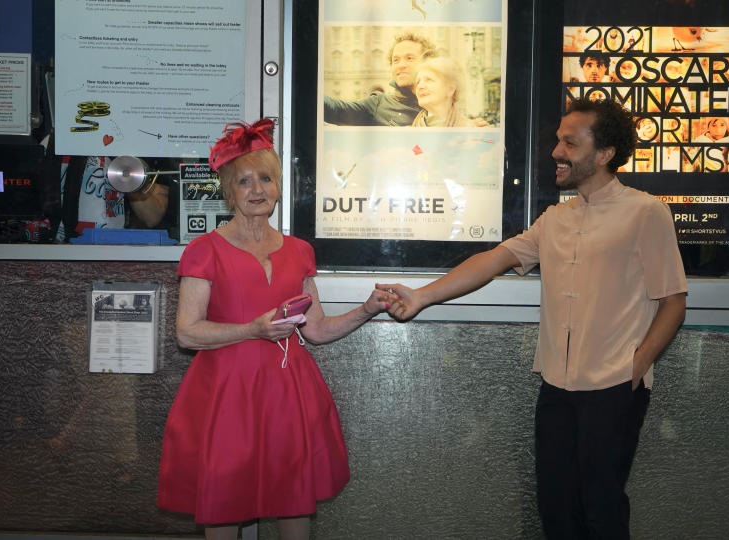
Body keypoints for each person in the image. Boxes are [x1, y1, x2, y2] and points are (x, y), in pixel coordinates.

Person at [379, 98, 687, 539]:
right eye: (558, 140)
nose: (556, 152)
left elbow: (673, 300)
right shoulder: (555, 218)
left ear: (604, 155)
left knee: (602, 510)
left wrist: (635, 369)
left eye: (569, 143)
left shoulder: (645, 212)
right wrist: (423, 297)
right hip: (556, 388)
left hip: (613, 388)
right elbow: (493, 259)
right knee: (556, 511)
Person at [157, 119, 396, 539]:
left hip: (288, 393)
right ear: (229, 190)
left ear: (278, 185)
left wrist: (368, 309)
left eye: (265, 178)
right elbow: (186, 333)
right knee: (224, 505)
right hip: (225, 395)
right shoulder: (203, 250)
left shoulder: (299, 250)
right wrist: (252, 330)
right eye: (245, 181)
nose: (257, 190)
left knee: (293, 503)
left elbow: (316, 330)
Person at [324, 32, 436, 126]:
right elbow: (336, 109)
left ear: (427, 62)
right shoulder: (378, 104)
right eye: (396, 60)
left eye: (409, 58)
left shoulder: (444, 103)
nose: (401, 65)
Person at [411, 57, 471, 127]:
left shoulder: (471, 130)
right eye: (418, 82)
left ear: (450, 89)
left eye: (429, 80)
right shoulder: (407, 132)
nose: (420, 86)